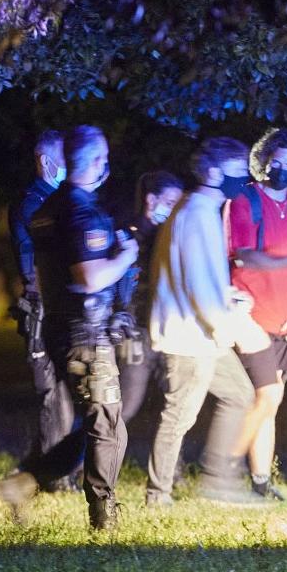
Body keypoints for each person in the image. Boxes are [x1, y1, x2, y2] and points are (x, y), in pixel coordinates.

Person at [0, 125, 139, 530]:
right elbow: (90, 277)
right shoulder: (80, 210)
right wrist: (126, 257)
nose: (107, 165)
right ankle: (102, 515)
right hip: (86, 333)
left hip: (60, 329)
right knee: (108, 427)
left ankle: (26, 482)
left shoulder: (47, 209)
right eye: (103, 157)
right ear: (94, 161)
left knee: (102, 424)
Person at [146, 136, 271, 506]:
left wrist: (228, 298)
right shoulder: (198, 213)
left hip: (202, 334)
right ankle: (158, 496)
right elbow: (199, 284)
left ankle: (218, 482)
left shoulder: (202, 209)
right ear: (214, 172)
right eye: (237, 172)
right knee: (179, 415)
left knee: (240, 394)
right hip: (190, 336)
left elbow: (197, 276)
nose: (244, 180)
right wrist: (228, 328)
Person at [226, 129, 287, 501]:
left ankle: (261, 481)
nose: (282, 169)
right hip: (250, 320)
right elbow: (246, 255)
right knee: (265, 398)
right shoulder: (246, 199)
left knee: (270, 402)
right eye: (276, 162)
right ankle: (223, 471)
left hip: (284, 323)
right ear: (264, 162)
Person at [5, 130, 75, 490]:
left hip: (58, 305)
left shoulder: (58, 200)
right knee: (53, 394)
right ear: (46, 162)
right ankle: (53, 478)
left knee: (67, 391)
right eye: (65, 158)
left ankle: (44, 468)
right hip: (42, 308)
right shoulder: (34, 204)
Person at [117, 171, 185, 424]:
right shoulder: (128, 236)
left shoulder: (170, 236)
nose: (173, 210)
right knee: (126, 406)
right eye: (169, 203)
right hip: (138, 332)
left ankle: (171, 465)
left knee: (176, 404)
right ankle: (77, 461)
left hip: (168, 330)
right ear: (150, 200)